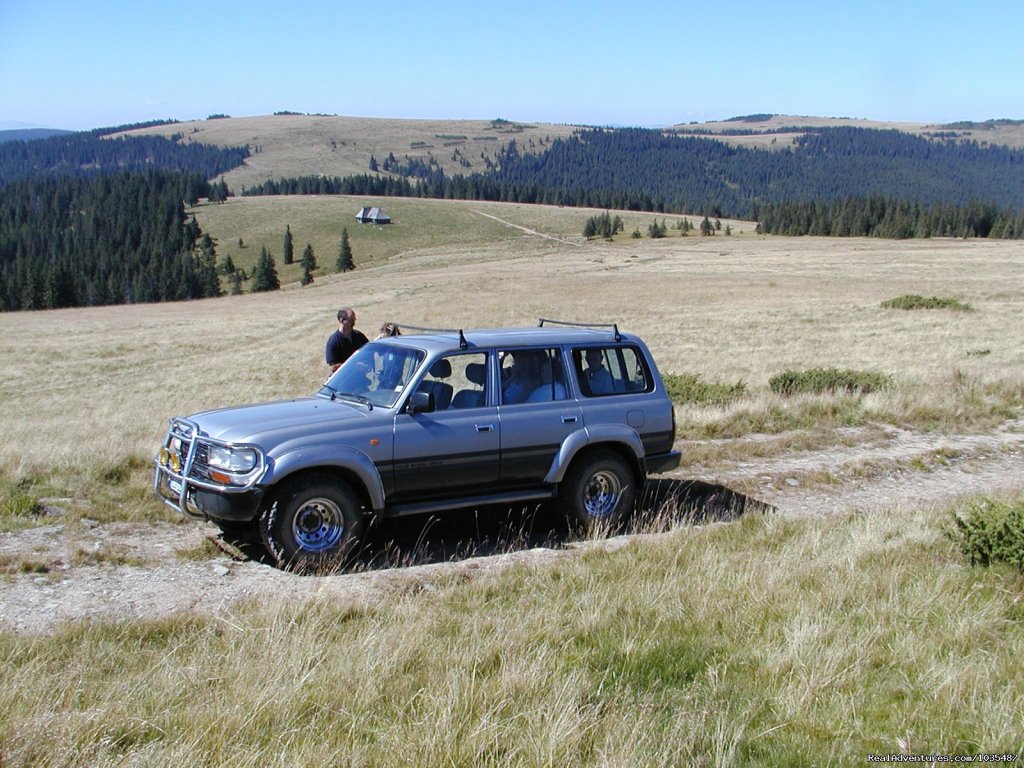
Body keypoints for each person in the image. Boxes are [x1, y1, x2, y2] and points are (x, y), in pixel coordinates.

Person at [325, 307, 369, 372]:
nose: (354, 323)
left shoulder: (359, 336)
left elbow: (369, 350)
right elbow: (333, 367)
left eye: (354, 320)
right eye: (351, 320)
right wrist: (353, 365)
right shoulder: (333, 341)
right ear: (342, 321)